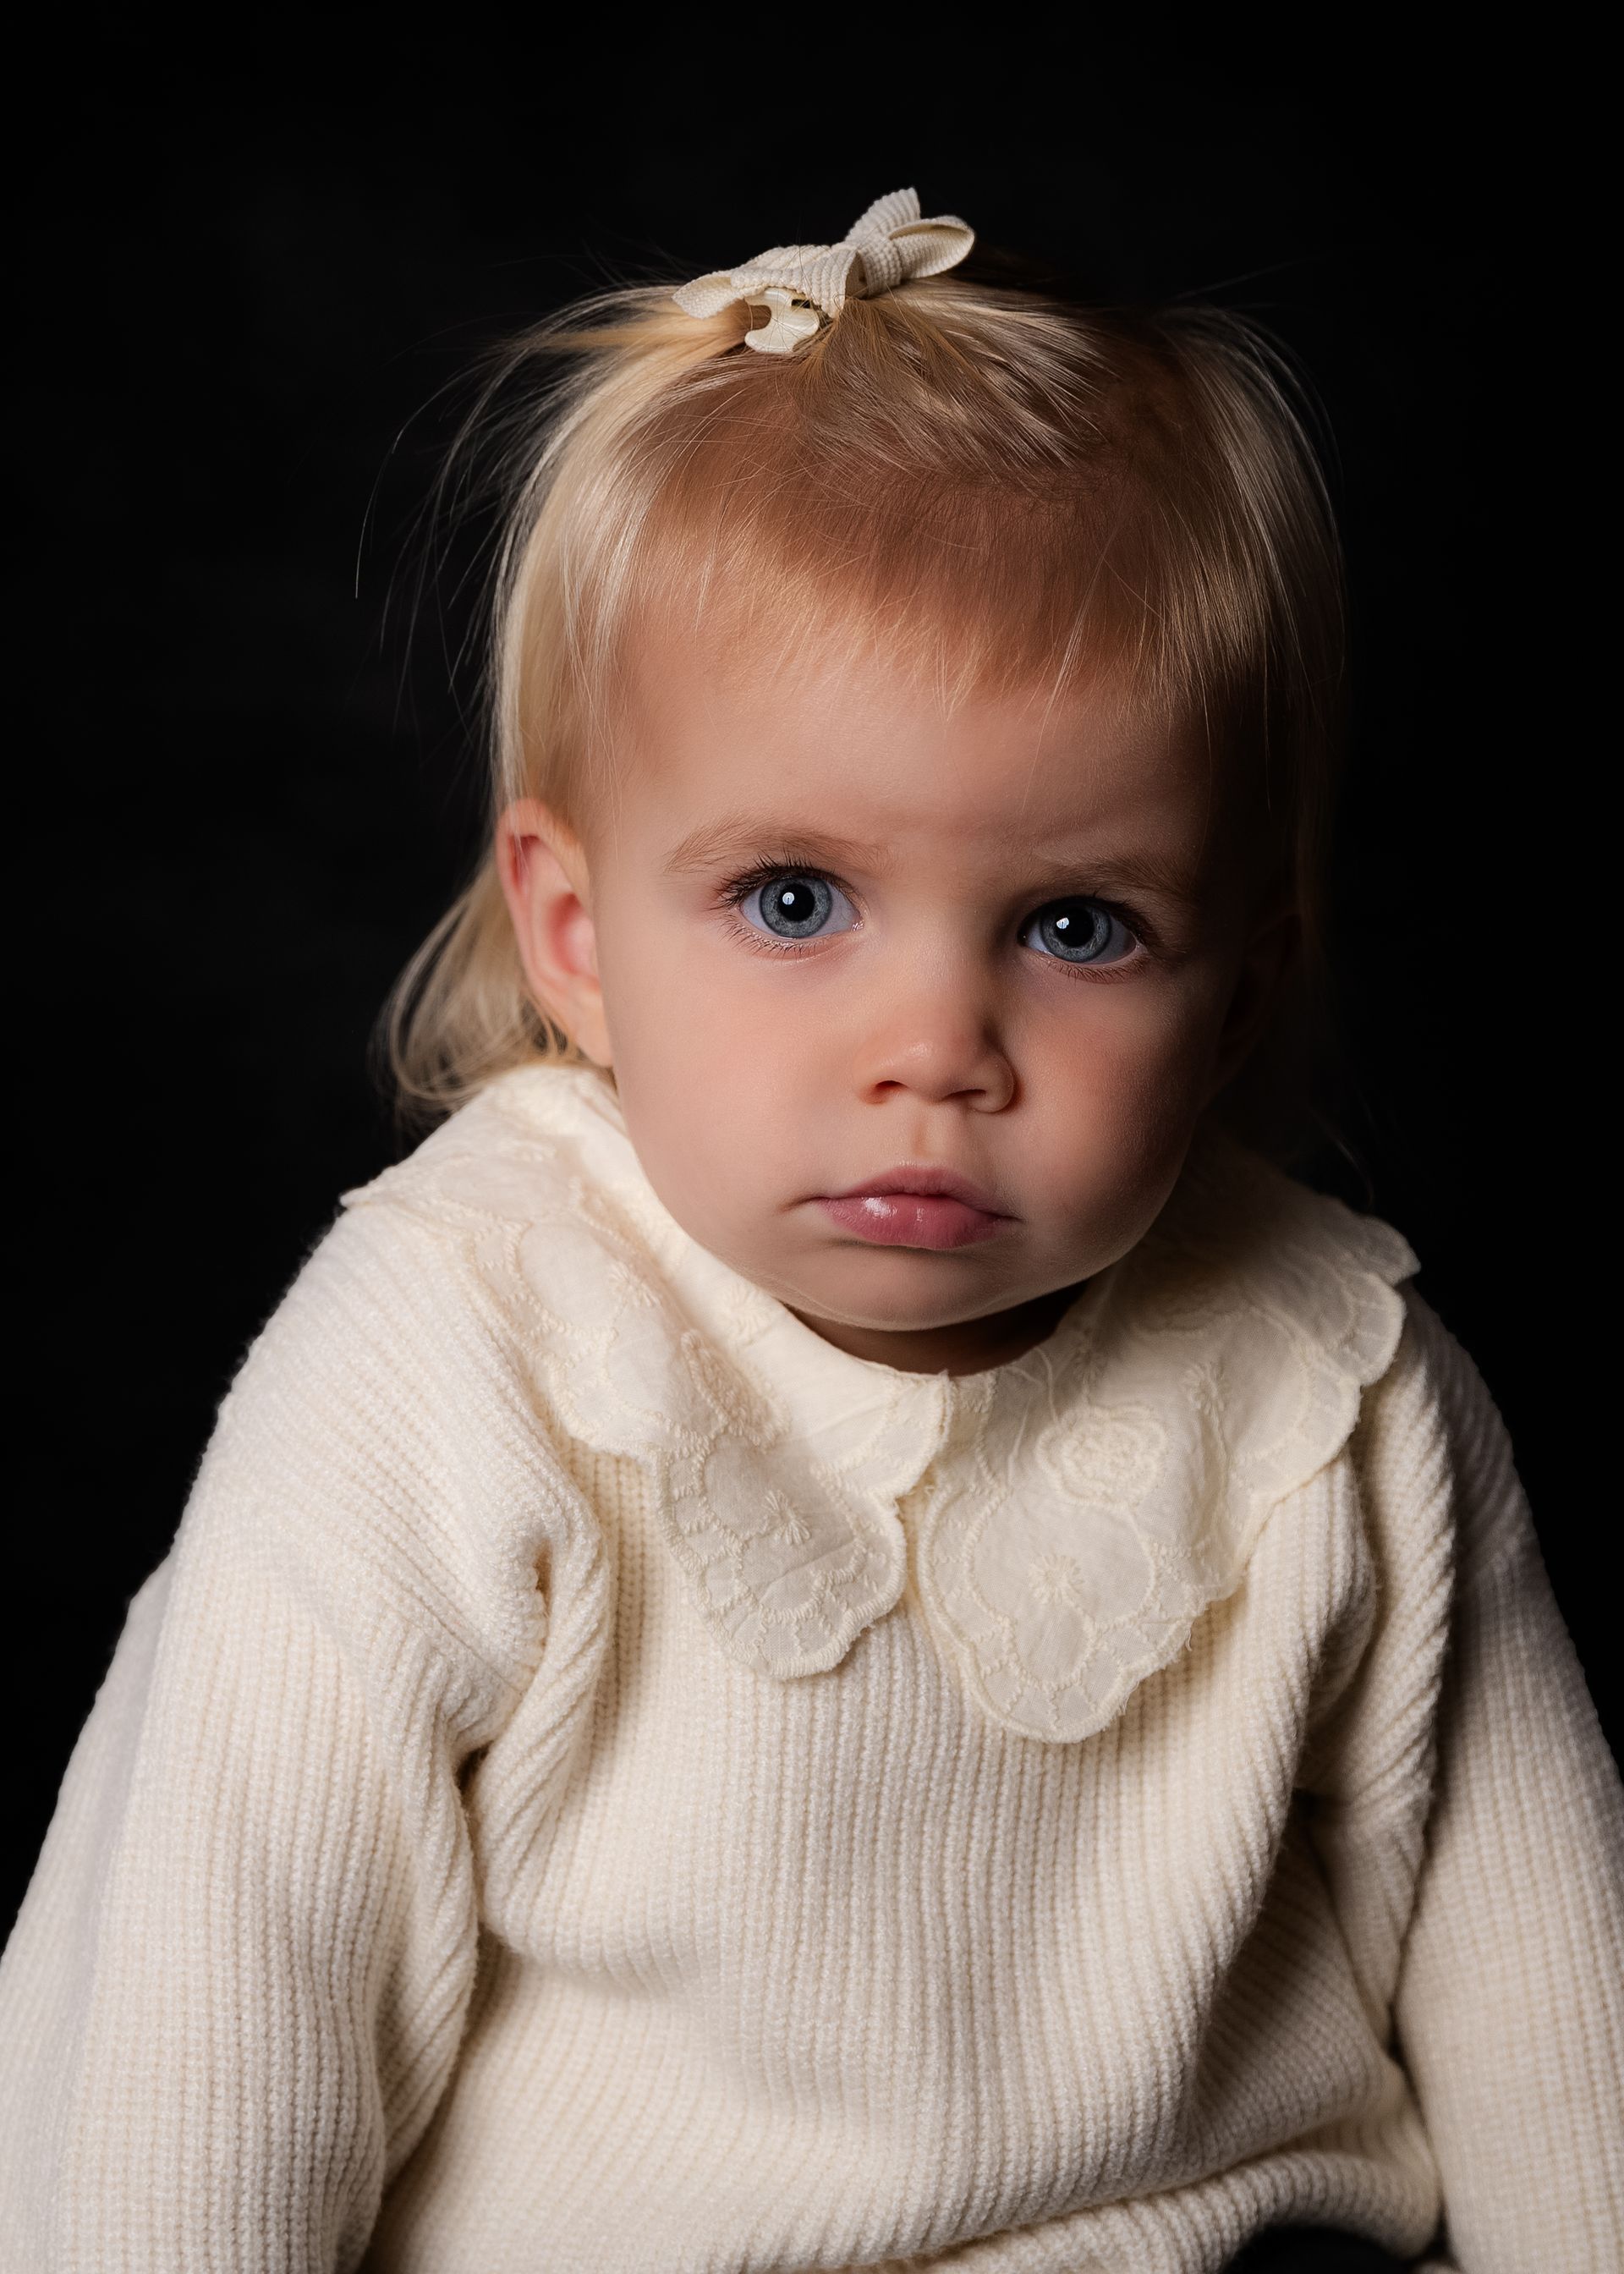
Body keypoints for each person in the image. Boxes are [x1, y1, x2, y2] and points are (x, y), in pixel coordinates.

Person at [2, 187, 1617, 2274]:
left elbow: (1546, 1991)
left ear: (1236, 987)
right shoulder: (466, 1344)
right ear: (573, 934)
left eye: (1075, 926)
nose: (935, 1044)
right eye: (793, 901)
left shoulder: (1337, 1378)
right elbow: (206, 2013)